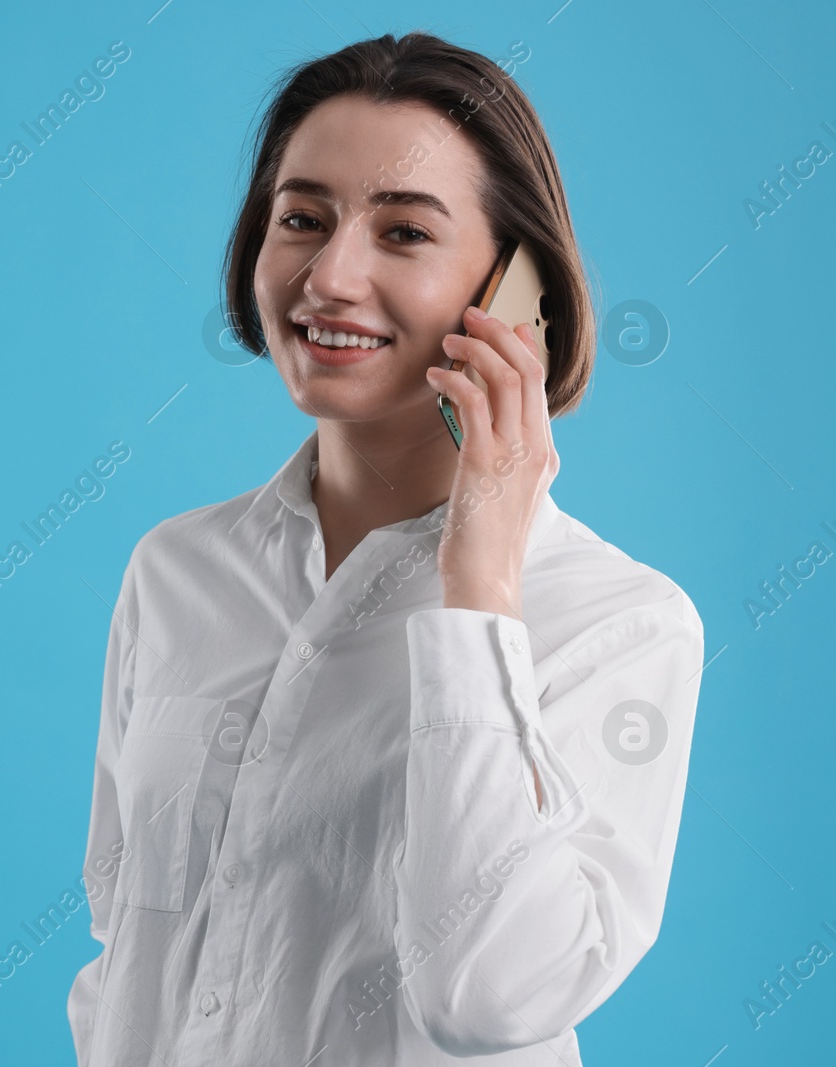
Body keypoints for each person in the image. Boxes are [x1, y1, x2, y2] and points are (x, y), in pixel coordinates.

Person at [67, 31, 705, 1066]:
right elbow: (126, 940)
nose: (329, 275)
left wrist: (479, 582)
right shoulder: (174, 570)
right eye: (301, 219)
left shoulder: (618, 619)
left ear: (515, 287)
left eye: (403, 232)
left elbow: (490, 996)